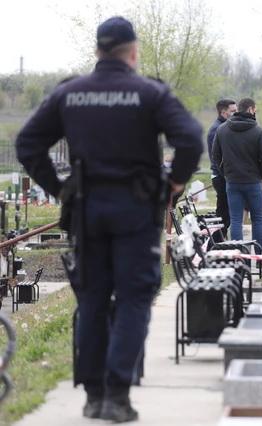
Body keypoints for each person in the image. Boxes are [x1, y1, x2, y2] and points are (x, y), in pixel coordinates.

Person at [15, 17, 202, 422]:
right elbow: (190, 138)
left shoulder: (71, 93)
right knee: (135, 298)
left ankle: (92, 394)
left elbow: (27, 143)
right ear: (132, 52)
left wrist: (58, 187)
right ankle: (117, 395)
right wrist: (174, 183)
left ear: (98, 51)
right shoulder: (149, 92)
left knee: (93, 300)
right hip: (136, 213)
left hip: (86, 211)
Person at [213, 98, 262, 252]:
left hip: (233, 182)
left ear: (238, 109)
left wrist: (225, 173)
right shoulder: (257, 131)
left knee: (236, 220)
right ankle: (259, 255)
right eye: (255, 110)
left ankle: (238, 255)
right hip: (253, 181)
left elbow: (216, 156)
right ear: (251, 109)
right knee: (258, 219)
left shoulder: (222, 130)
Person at [206, 99, 237, 237]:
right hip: (221, 176)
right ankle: (218, 242)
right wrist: (227, 175)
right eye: (233, 111)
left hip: (226, 175)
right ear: (223, 112)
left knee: (227, 213)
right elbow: (217, 157)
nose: (236, 113)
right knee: (223, 213)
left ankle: (220, 239)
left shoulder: (226, 127)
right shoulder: (216, 129)